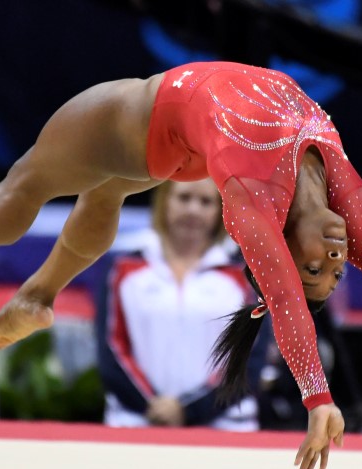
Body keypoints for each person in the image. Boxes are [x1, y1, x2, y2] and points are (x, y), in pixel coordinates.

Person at [0, 61, 362, 469]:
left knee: (29, 179)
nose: (338, 259)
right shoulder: (348, 202)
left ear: (284, 242)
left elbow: (288, 302)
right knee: (104, 191)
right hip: (195, 142)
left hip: (149, 121)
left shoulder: (254, 200)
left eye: (315, 268)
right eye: (334, 272)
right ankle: (37, 294)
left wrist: (317, 400)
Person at [96, 179, 266, 431]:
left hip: (224, 427)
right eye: (184, 197)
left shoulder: (246, 276)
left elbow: (249, 359)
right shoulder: (124, 268)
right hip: (135, 423)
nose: (193, 210)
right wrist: (152, 407)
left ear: (221, 210)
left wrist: (189, 410)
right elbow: (112, 350)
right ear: (164, 200)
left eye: (206, 201)